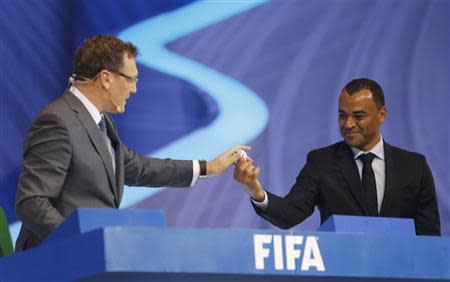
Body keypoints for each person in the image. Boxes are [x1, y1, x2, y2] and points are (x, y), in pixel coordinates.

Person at [15, 35, 249, 251]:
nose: (134, 89)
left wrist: (208, 167)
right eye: (131, 79)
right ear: (106, 78)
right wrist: (78, 243)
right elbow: (32, 203)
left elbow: (137, 168)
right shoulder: (57, 121)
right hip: (57, 263)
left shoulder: (102, 122)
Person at [234, 78, 440, 236]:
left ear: (382, 114)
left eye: (358, 116)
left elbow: (430, 238)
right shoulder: (321, 162)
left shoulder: (414, 167)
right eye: (342, 115)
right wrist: (256, 191)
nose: (348, 124)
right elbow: (290, 214)